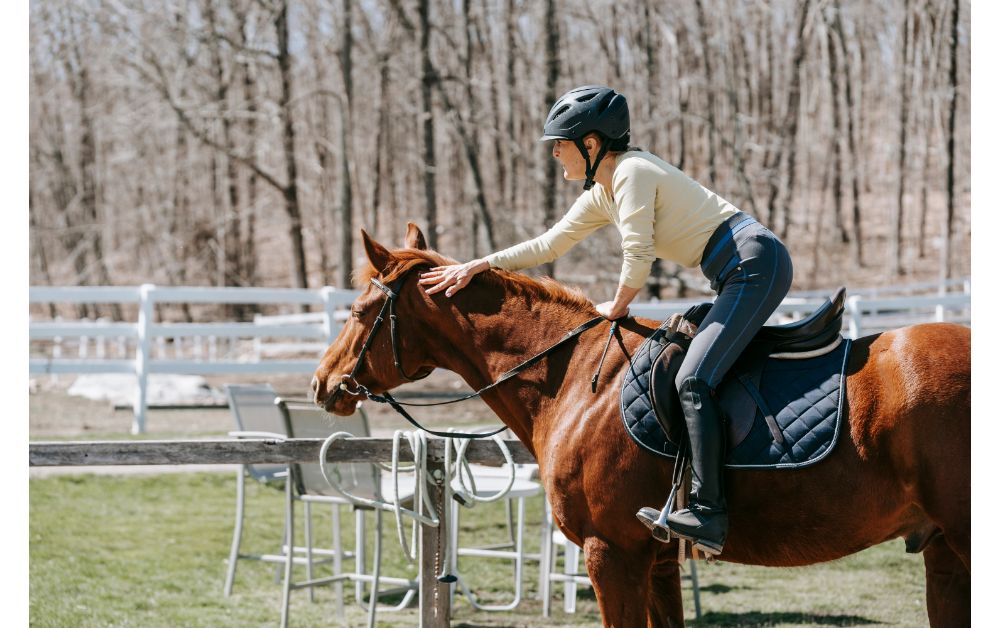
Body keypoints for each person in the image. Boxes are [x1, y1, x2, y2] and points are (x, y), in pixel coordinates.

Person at [417, 85, 793, 555]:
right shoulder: (603, 191)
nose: (555, 153)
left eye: (560, 143)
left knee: (694, 379)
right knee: (683, 361)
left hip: (754, 264)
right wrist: (480, 264)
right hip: (736, 270)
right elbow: (549, 245)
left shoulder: (633, 172)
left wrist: (615, 307)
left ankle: (709, 512)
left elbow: (639, 252)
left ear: (591, 145)